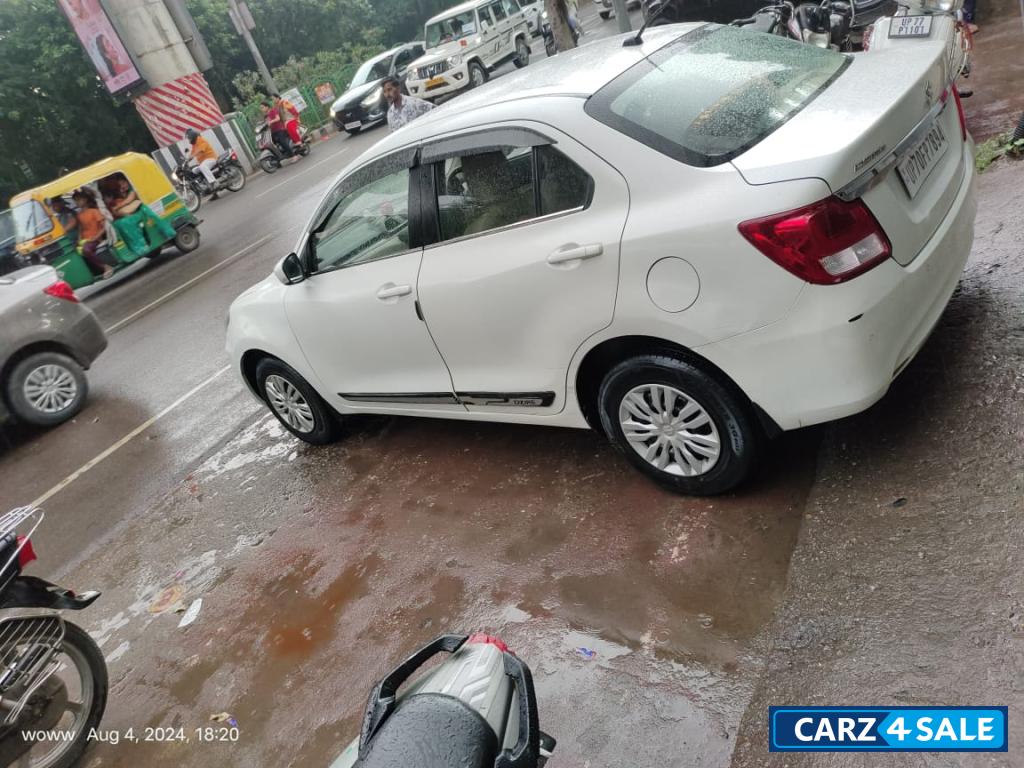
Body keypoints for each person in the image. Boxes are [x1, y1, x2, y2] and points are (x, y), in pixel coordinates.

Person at [102, 174, 175, 257]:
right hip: (136, 212)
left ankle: (142, 246)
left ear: (127, 181)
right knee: (120, 223)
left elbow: (128, 201)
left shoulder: (133, 190)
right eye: (120, 185)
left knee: (126, 223)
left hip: (142, 210)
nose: (122, 186)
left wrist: (117, 207)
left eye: (123, 183)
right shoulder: (122, 194)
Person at [71, 189, 113, 280]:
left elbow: (103, 227)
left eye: (79, 200)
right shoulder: (79, 215)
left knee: (86, 250)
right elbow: (80, 229)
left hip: (95, 239)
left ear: (85, 200)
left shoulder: (94, 211)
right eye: (75, 201)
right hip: (85, 240)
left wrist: (95, 238)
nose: (77, 203)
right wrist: (78, 239)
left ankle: (106, 267)